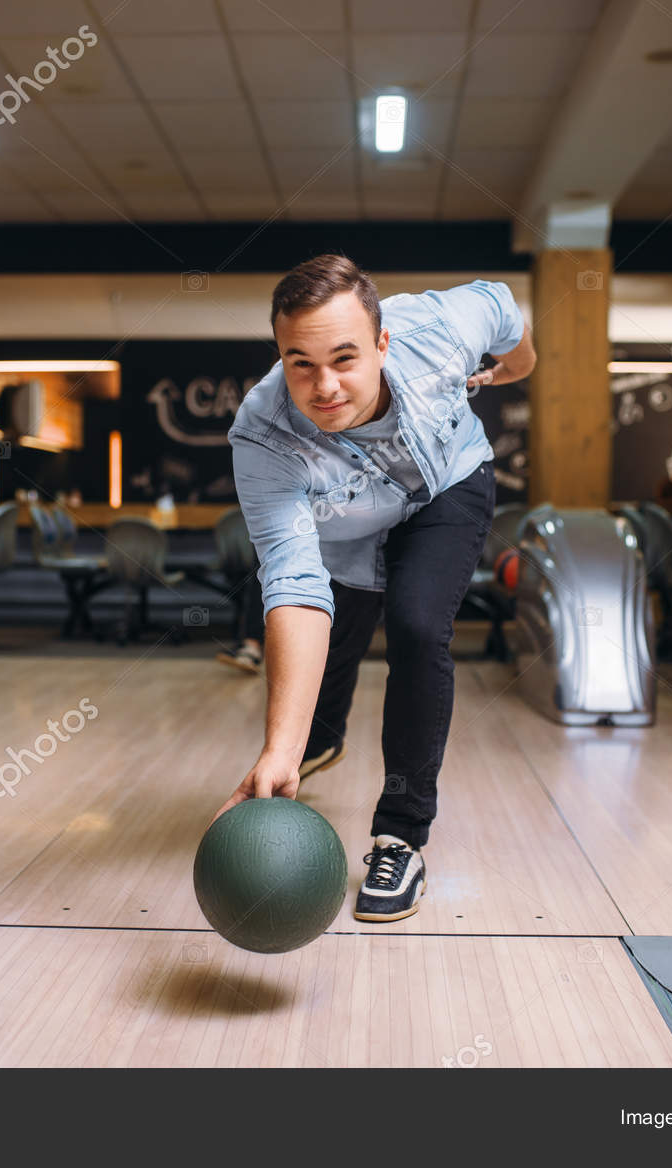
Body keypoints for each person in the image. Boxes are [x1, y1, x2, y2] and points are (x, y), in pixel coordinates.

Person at [214, 255, 536, 922]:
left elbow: (504, 305)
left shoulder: (440, 329)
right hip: (346, 529)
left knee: (418, 628)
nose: (324, 385)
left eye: (344, 358)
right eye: (299, 362)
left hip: (446, 486)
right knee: (315, 704)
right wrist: (279, 750)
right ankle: (316, 740)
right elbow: (296, 588)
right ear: (279, 354)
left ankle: (402, 835)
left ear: (383, 342)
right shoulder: (263, 434)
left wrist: (516, 366)